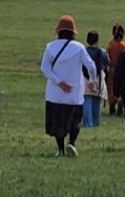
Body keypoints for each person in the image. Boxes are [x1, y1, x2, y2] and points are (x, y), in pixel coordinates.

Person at [40, 14, 95, 157]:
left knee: (58, 123)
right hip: (74, 93)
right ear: (73, 33)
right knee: (75, 121)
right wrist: (92, 81)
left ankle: (60, 150)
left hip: (54, 94)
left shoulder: (50, 47)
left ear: (58, 31)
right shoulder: (79, 48)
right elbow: (91, 66)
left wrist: (58, 82)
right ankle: (72, 143)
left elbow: (44, 67)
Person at [82, 29, 109, 129]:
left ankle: (88, 123)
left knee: (87, 100)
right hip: (98, 78)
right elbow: (106, 63)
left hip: (84, 78)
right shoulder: (102, 52)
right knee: (97, 102)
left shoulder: (83, 51)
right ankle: (95, 122)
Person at [105, 23, 125, 116]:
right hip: (124, 71)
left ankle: (112, 107)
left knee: (111, 88)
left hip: (112, 70)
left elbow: (107, 58)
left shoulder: (110, 46)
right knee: (122, 87)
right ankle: (120, 107)